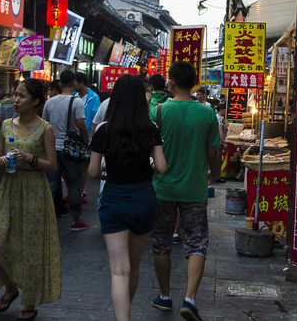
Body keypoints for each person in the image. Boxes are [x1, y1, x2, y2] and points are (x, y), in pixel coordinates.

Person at [88, 74, 167, 321]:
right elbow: (162, 167)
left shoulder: (103, 130)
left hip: (114, 200)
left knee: (118, 271)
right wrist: (150, 162)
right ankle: (125, 311)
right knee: (133, 265)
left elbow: (92, 172)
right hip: (143, 199)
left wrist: (106, 162)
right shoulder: (150, 128)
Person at [148, 61, 221, 321]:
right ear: (194, 84)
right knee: (197, 244)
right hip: (195, 189)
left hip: (163, 187)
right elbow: (213, 153)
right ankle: (189, 299)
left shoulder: (158, 111)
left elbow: (149, 147)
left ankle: (165, 296)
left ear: (170, 82)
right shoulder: (207, 113)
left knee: (161, 243)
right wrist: (215, 175)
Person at [0, 79, 60, 320]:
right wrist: (2, 160)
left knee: (31, 248)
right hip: (10, 188)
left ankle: (29, 301)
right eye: (15, 94)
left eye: (22, 96)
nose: (16, 100)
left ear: (36, 101)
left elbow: (52, 165)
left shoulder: (45, 128)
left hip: (34, 190)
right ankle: (11, 287)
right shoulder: (6, 125)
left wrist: (30, 158)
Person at [41, 70, 90, 231]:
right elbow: (81, 126)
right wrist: (87, 142)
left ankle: (43, 217)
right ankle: (76, 220)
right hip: (70, 150)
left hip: (52, 149)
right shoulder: (77, 102)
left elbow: (45, 124)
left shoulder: (50, 102)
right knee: (74, 184)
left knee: (51, 184)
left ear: (60, 84)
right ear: (74, 83)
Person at [74, 72, 99, 204]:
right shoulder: (73, 96)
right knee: (72, 164)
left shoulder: (93, 97)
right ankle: (74, 189)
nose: (73, 85)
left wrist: (91, 137)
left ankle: (80, 190)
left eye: (75, 82)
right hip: (73, 136)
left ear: (81, 83)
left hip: (86, 136)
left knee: (84, 165)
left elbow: (95, 118)